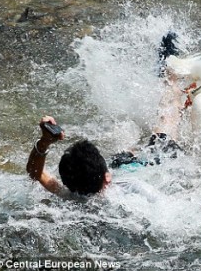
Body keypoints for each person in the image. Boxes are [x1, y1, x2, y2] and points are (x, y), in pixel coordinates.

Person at [26, 32, 185, 196]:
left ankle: (169, 74)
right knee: (167, 117)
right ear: (107, 177)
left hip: (120, 166)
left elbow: (35, 173)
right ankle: (169, 71)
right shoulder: (135, 188)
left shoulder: (70, 196)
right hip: (145, 167)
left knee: (135, 145)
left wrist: (45, 141)